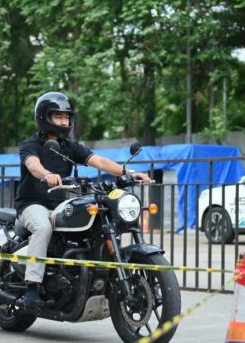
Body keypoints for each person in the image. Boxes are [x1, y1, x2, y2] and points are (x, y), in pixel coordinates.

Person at [14, 92, 152, 308]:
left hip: (59, 206)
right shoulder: (30, 144)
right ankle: (32, 285)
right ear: (44, 117)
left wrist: (130, 173)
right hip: (32, 204)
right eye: (58, 116)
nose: (64, 122)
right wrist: (47, 174)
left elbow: (100, 161)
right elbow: (33, 165)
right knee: (42, 227)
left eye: (66, 117)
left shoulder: (69, 147)